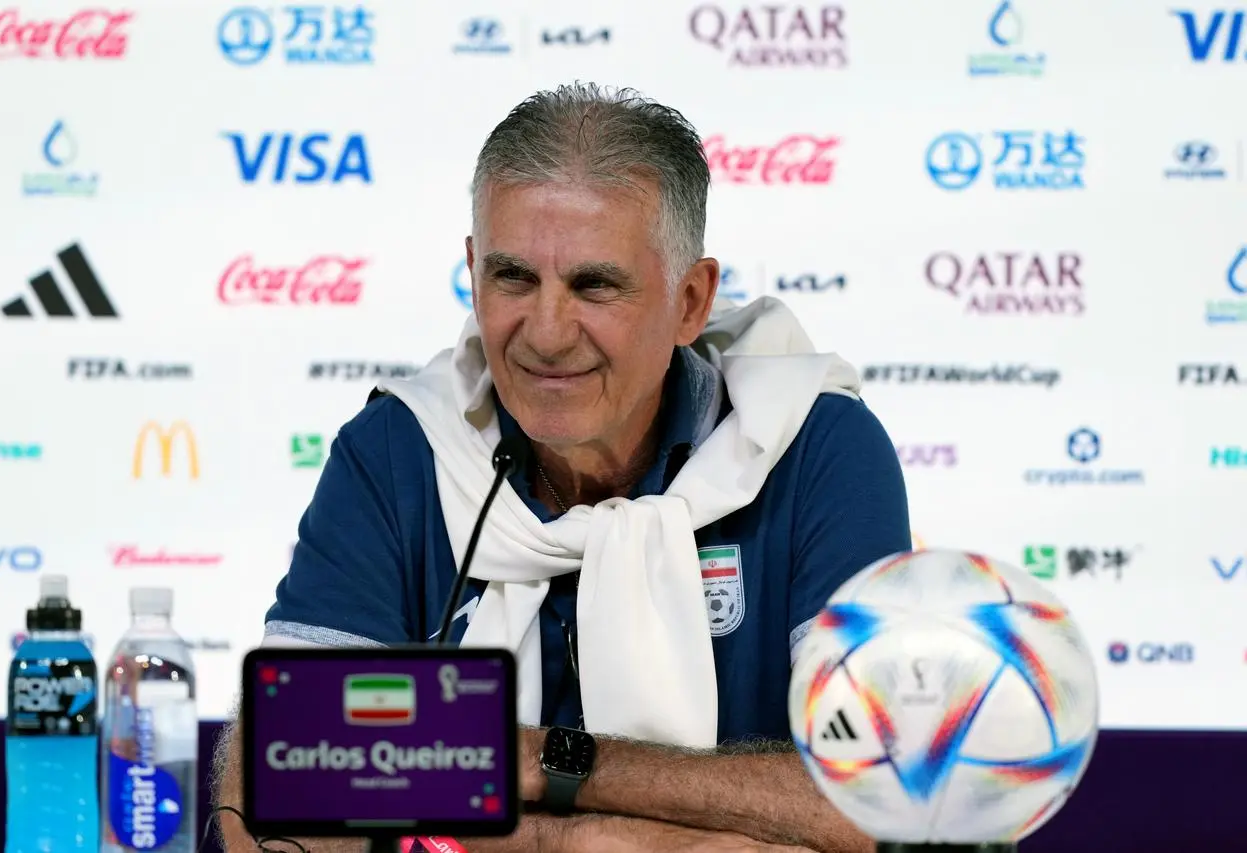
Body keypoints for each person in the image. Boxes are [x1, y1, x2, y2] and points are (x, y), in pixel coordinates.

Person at [213, 82, 910, 853]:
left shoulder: (813, 445)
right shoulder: (398, 450)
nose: (545, 333)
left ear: (689, 300)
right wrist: (592, 843)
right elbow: (273, 793)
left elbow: (882, 795)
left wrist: (541, 766)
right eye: (513, 277)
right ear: (473, 270)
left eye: (594, 284)